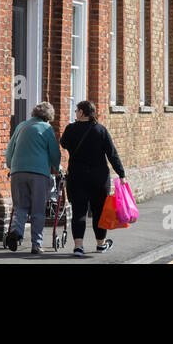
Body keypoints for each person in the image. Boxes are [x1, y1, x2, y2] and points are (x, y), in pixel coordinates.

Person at [60, 100, 126, 255]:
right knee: (99, 212)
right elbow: (112, 154)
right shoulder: (100, 130)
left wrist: (74, 129)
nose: (75, 112)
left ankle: (78, 247)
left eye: (77, 110)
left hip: (77, 177)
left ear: (82, 112)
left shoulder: (71, 129)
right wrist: (121, 174)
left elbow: (63, 143)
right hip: (99, 178)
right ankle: (101, 244)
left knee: (79, 212)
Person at [4, 101, 61, 254]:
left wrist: (11, 166)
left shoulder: (21, 126)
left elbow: (10, 150)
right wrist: (58, 168)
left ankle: (16, 232)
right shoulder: (47, 128)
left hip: (18, 171)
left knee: (20, 207)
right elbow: (54, 153)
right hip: (38, 174)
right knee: (37, 210)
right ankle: (36, 244)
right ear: (48, 117)